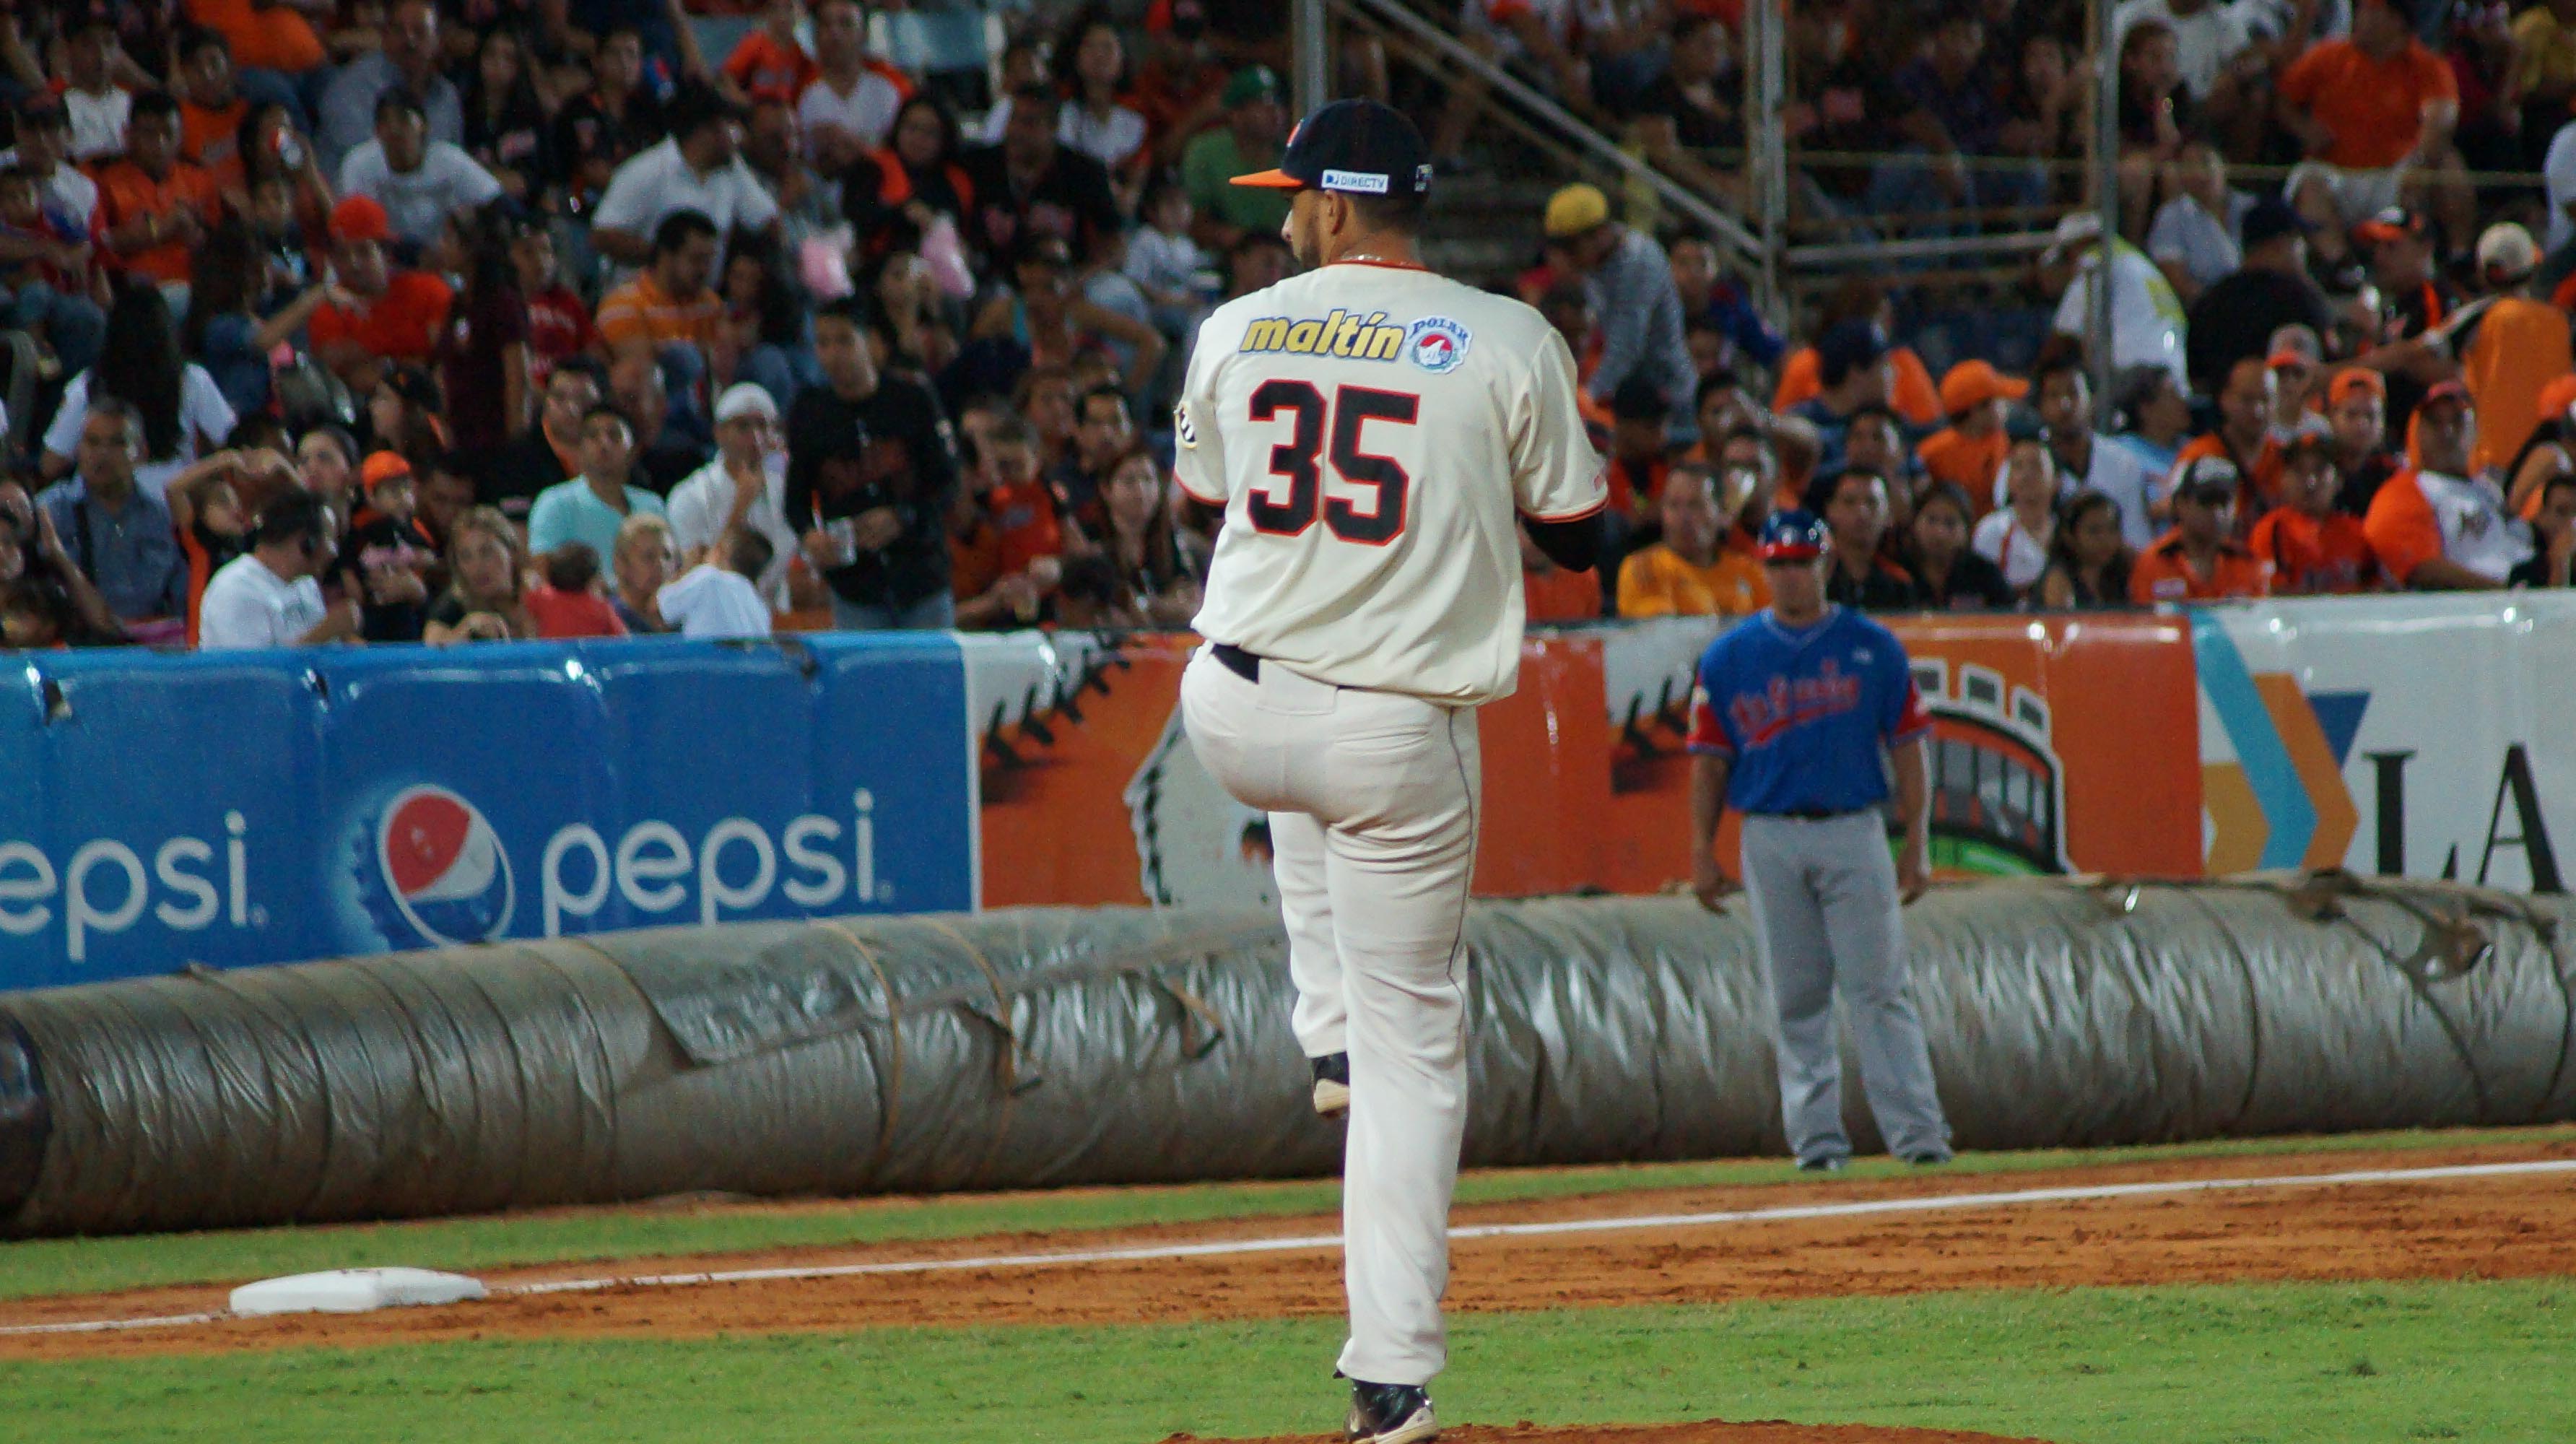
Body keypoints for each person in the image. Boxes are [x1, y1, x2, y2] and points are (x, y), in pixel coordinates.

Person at [1172, 99, 1604, 1444]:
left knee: (1307, 788)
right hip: (1385, 735)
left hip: (1228, 708)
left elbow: (1206, 500)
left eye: (1293, 197)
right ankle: (1390, 1378)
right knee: (1417, 1051)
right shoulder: (1507, 337)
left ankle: (1326, 1027)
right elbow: (1581, 540)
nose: (1285, 215)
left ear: (1337, 205)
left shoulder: (1237, 327)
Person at [1685, 508, 1953, 1175]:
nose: (1791, 576)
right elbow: (1710, 763)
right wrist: (1701, 849)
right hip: (1769, 832)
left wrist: (1917, 841)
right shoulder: (1728, 657)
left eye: (1802, 563)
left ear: (1825, 565)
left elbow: (1910, 748)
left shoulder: (1873, 646)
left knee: (1879, 988)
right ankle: (1816, 1145)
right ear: (1763, 569)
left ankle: (1919, 1137)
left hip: (1854, 828)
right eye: (1779, 564)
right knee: (1796, 997)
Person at [787, 297, 959, 630]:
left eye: (844, 341)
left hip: (921, 577)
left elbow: (946, 481)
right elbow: (795, 500)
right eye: (823, 343)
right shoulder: (810, 413)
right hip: (856, 588)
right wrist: (810, 537)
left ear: (871, 342)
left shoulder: (912, 400)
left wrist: (902, 516)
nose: (833, 354)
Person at [2279, 0, 2471, 258]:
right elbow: (2283, 99)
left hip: (2396, 176)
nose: (2359, 18)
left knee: (2448, 163)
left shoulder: (2427, 65)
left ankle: (2459, 255)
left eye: (2370, 11)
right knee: (2308, 183)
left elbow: (2441, 118)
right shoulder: (2328, 56)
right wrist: (2303, 128)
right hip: (2336, 175)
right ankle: (2339, 264)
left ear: (2397, 21)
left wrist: (2420, 162)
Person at [39, 285, 238, 500]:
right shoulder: (192, 378)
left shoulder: (87, 385)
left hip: (101, 500)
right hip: (171, 497)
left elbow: (50, 464)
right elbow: (232, 441)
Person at [1543, 183, 1699, 445]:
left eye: (1571, 248)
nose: (1568, 257)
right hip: (1631, 394)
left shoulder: (1638, 261)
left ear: (1600, 234)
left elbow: (1627, 346)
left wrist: (1589, 395)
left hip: (1669, 396)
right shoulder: (1597, 265)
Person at [35, 399, 190, 638]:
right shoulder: (51, 510)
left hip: (148, 645)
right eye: (92, 442)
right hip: (73, 645)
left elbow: (175, 596)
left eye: (117, 443)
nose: (102, 454)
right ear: (78, 449)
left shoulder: (159, 516)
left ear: (141, 452)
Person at [591, 85, 780, 274]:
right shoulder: (647, 170)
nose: (736, 137)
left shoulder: (732, 169)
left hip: (705, 291)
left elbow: (768, 222)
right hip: (640, 289)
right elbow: (603, 235)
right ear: (706, 132)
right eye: (729, 127)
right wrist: (668, 259)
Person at [2364, 378, 2532, 589]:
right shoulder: (2404, 491)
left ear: (2475, 431)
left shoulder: (2488, 490)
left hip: (2520, 591)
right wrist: (2502, 593)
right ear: (2417, 432)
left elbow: (2521, 542)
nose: (2447, 432)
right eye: (2435, 423)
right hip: (2467, 604)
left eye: (2458, 421)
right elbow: (2422, 570)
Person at [2183, 198, 2333, 398]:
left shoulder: (2211, 300)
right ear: (2279, 245)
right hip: (2284, 408)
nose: (2304, 250)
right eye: (2298, 242)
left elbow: (2195, 374)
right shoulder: (2298, 297)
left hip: (2218, 412)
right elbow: (2327, 362)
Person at [669, 383, 799, 607]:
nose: (755, 438)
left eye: (762, 426)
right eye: (743, 427)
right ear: (719, 433)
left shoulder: (788, 491)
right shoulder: (690, 496)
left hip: (777, 610)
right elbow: (694, 579)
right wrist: (741, 506)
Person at [308, 196, 456, 390]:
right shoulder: (329, 310)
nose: (353, 264)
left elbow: (450, 360)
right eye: (342, 254)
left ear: (386, 254)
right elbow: (353, 377)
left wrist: (373, 354)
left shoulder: (429, 290)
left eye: (363, 251)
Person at [336, 90, 503, 256]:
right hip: (383, 259)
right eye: (386, 122)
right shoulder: (360, 163)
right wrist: (414, 254)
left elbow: (496, 200)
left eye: (404, 120)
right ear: (377, 132)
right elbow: (356, 229)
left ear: (424, 126)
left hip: (443, 258)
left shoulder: (448, 159)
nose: (395, 129)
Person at [92, 91, 223, 297]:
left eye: (168, 134)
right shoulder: (106, 182)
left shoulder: (199, 179)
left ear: (181, 136)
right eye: (150, 134)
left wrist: (195, 233)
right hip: (140, 292)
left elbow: (219, 239)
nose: (160, 144)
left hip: (199, 285)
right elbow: (99, 243)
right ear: (128, 135)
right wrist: (163, 227)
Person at [196, 490, 362, 649]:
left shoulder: (306, 584)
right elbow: (252, 667)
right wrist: (325, 632)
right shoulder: (236, 589)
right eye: (330, 539)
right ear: (306, 542)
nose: (334, 552)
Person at [316, 0, 462, 179]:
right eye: (399, 31)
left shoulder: (447, 96)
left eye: (420, 32)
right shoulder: (353, 86)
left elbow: (454, 167)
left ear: (437, 41)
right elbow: (370, 163)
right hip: (353, 191)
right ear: (385, 37)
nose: (409, 40)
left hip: (424, 194)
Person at [2043, 212, 2188, 391]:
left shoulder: (2096, 262)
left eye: (2066, 256)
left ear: (2077, 245)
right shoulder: (2136, 261)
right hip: (2173, 378)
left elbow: (2062, 337)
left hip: (2136, 375)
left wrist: (2034, 380)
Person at [2028, 360, 2162, 549]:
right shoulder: (2021, 466)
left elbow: (2137, 539)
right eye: (2053, 396)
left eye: (2073, 393)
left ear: (2092, 400)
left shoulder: (2122, 463)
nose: (2065, 405)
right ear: (2040, 406)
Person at [1616, 461, 1767, 619]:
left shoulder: (1750, 572)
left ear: (1722, 513)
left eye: (1695, 505)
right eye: (1673, 505)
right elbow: (1660, 629)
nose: (1683, 517)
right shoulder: (1644, 569)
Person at [527, 406, 669, 559]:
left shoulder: (652, 505)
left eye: (614, 436)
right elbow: (542, 568)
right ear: (579, 450)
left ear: (633, 452)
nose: (604, 444)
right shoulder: (555, 503)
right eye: (593, 436)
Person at [2250, 432, 2381, 593]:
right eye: (2298, 471)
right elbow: (2271, 594)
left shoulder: (2358, 532)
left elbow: (2377, 591)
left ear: (2339, 479)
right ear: (2283, 480)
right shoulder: (2271, 530)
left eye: (2320, 470)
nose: (2310, 482)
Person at [2131, 455, 2273, 602]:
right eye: (2207, 502)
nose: (2217, 513)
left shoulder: (2248, 563)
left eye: (2225, 503)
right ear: (2181, 504)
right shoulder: (2153, 562)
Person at [1181, 66, 1291, 254]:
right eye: (1261, 104)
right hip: (1225, 258)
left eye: (1277, 102)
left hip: (1286, 257)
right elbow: (1194, 222)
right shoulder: (1206, 150)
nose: (1274, 112)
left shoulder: (1293, 153)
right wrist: (1233, 238)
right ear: (1236, 114)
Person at [796, 0, 914, 172]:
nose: (835, 33)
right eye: (826, 25)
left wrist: (858, 148)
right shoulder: (802, 92)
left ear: (864, 34)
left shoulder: (886, 91)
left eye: (846, 24)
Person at [1915, 361, 2025, 507]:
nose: (2005, 406)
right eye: (1998, 401)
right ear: (1977, 410)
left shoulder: (2008, 442)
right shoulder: (1932, 454)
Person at [424, 504, 534, 643]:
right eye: (466, 557)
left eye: (487, 552)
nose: (477, 567)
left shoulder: (537, 593)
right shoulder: (453, 605)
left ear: (511, 552)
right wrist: (466, 630)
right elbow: (430, 650)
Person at [1816, 467, 1918, 611]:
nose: (1862, 513)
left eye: (1872, 503)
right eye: (1849, 502)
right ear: (1830, 510)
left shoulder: (1899, 584)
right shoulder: (1816, 579)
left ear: (1889, 514)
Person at [1972, 429, 2059, 596]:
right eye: (2018, 467)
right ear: (2009, 480)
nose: (2026, 475)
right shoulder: (1991, 530)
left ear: (2056, 481)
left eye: (2036, 466)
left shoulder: (2067, 529)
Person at [656, 528, 775, 638]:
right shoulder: (759, 603)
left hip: (708, 654)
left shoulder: (709, 577)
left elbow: (664, 605)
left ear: (721, 552)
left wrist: (687, 569)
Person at [2033, 491, 2137, 609]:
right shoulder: (2058, 579)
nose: (2106, 539)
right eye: (2094, 531)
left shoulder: (2123, 569)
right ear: (2069, 536)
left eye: (2112, 529)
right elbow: (2062, 619)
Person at [2510, 474, 2576, 587]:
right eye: (2562, 512)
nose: (2571, 521)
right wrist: (2559, 563)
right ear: (2543, 516)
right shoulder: (2524, 570)